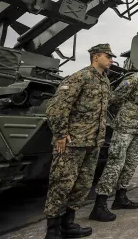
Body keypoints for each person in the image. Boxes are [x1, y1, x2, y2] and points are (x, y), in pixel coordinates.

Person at [43, 44, 114, 239]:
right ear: (96, 56)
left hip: (92, 142)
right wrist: (60, 134)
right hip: (72, 142)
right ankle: (52, 231)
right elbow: (56, 108)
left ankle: (68, 224)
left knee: (82, 185)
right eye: (108, 56)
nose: (111, 59)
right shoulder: (80, 77)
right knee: (61, 185)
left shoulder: (104, 81)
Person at [90, 55, 138, 222]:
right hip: (125, 128)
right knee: (115, 163)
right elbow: (114, 98)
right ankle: (99, 206)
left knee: (130, 164)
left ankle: (121, 198)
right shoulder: (134, 79)